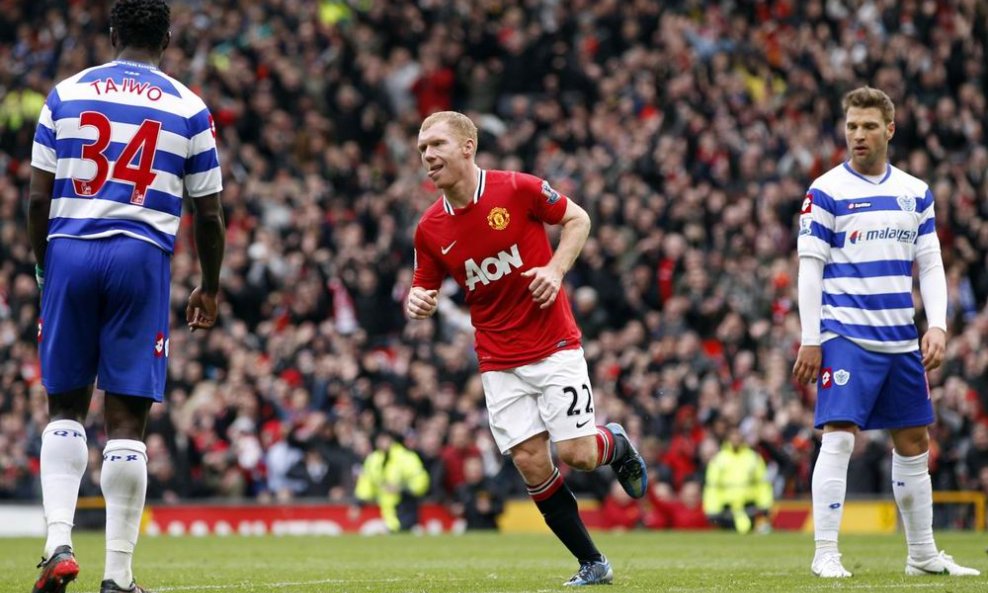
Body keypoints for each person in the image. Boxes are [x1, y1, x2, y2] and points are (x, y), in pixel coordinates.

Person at [27, 1, 225, 592]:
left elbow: (37, 199)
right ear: (166, 38)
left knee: (65, 409)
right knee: (126, 421)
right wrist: (209, 286)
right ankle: (117, 577)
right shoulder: (189, 108)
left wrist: (47, 271)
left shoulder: (64, 94)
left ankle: (58, 542)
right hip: (141, 254)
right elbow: (208, 214)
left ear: (112, 34)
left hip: (69, 245)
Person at [407, 110, 648, 586]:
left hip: (553, 343)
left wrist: (555, 271)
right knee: (530, 462)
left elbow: (578, 219)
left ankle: (615, 443)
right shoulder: (429, 228)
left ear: (467, 147)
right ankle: (592, 563)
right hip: (498, 360)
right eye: (421, 149)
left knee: (577, 454)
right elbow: (423, 286)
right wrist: (417, 299)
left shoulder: (516, 189)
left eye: (436, 145)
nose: (428, 156)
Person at [793, 86, 979, 579]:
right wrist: (812, 336)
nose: (858, 134)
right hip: (845, 334)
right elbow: (809, 270)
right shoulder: (825, 190)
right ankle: (825, 553)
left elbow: (932, 264)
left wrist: (936, 325)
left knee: (915, 442)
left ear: (889, 129)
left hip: (899, 336)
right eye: (852, 125)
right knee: (839, 436)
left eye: (869, 125)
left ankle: (921, 555)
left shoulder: (914, 192)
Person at [353, 431, 431, 533]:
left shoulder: (406, 457)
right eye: (380, 440)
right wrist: (359, 503)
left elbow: (421, 480)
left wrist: (402, 488)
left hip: (405, 503)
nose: (383, 443)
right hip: (385, 506)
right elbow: (366, 483)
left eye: (385, 439)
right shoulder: (373, 459)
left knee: (404, 532)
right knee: (392, 533)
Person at [701, 426, 773, 534]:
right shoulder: (718, 460)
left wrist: (765, 505)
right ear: (728, 438)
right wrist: (712, 509)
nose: (735, 440)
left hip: (750, 507)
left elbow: (763, 485)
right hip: (726, 509)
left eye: (738, 436)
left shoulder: (754, 458)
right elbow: (712, 487)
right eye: (733, 437)